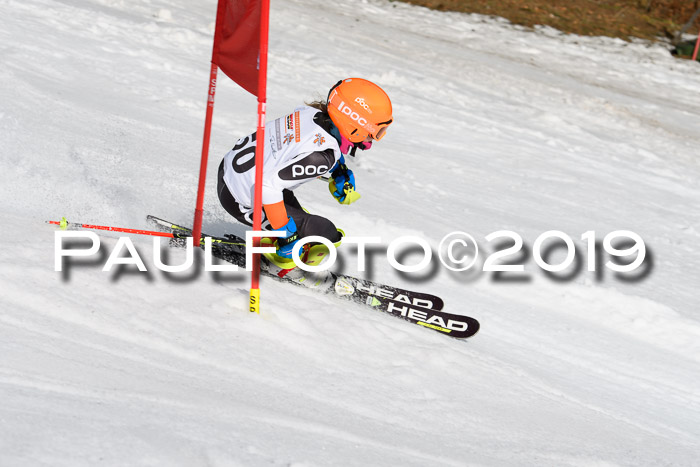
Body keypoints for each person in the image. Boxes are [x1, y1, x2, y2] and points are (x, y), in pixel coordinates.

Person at [217, 78, 393, 287]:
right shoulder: (321, 157)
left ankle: (276, 245)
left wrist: (339, 170)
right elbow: (267, 187)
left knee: (307, 229)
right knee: (325, 235)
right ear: (355, 124)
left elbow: (294, 150)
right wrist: (286, 236)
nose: (373, 140)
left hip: (232, 175)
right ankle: (285, 265)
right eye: (377, 132)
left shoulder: (311, 114)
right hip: (242, 198)